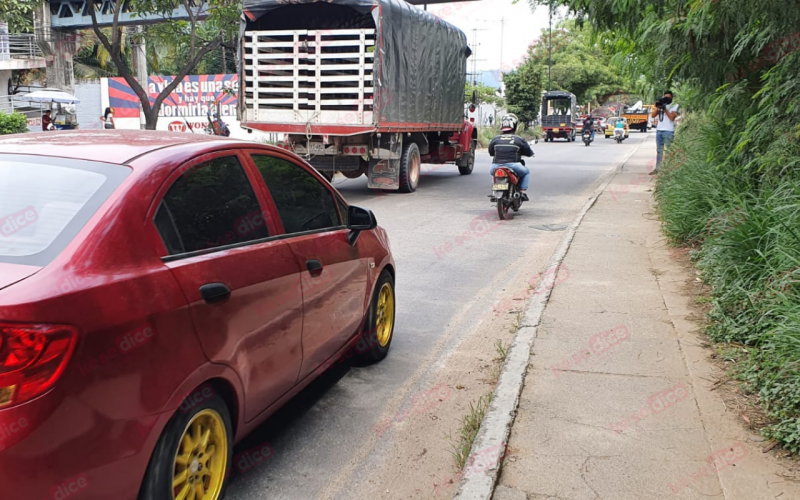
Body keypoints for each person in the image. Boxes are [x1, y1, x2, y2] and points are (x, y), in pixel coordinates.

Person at [489, 113, 533, 201]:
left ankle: (495, 191)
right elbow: (528, 152)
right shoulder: (519, 139)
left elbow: (491, 152)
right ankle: (523, 192)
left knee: (493, 173)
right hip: (513, 165)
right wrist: (530, 154)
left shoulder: (495, 139)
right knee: (526, 172)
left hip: (495, 167)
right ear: (515, 125)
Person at [651, 90, 679, 174]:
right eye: (665, 97)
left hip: (669, 131)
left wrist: (665, 109)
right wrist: (659, 107)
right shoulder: (661, 103)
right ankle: (658, 169)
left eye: (668, 97)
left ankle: (669, 169)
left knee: (669, 150)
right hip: (659, 130)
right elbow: (652, 115)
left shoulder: (674, 105)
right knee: (659, 150)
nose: (666, 99)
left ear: (671, 98)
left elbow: (672, 118)